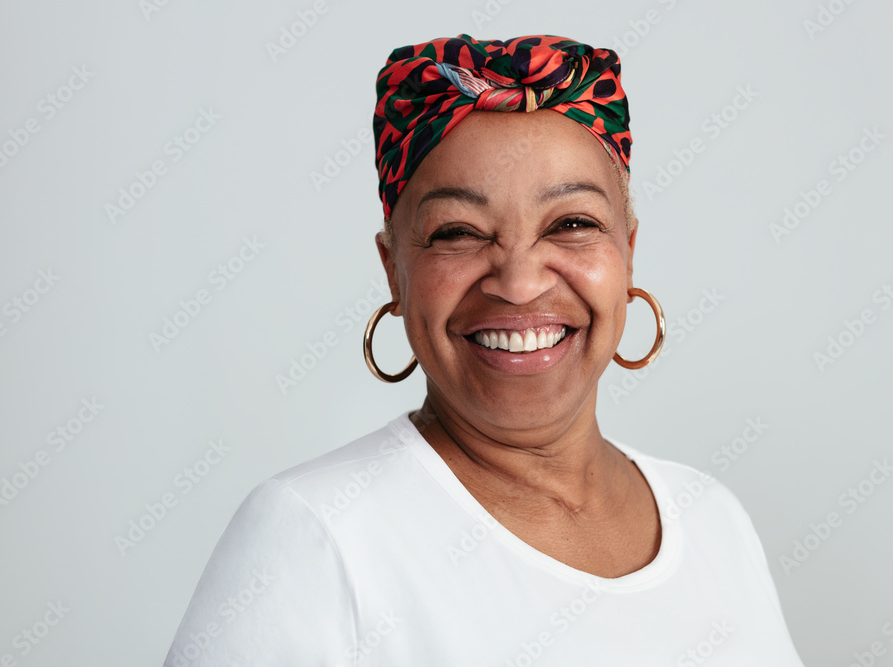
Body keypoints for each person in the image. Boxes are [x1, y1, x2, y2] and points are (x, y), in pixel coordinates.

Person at [163, 34, 805, 666]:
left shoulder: (711, 518)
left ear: (628, 251)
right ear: (394, 270)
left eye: (572, 224)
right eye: (458, 233)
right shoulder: (315, 535)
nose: (519, 283)